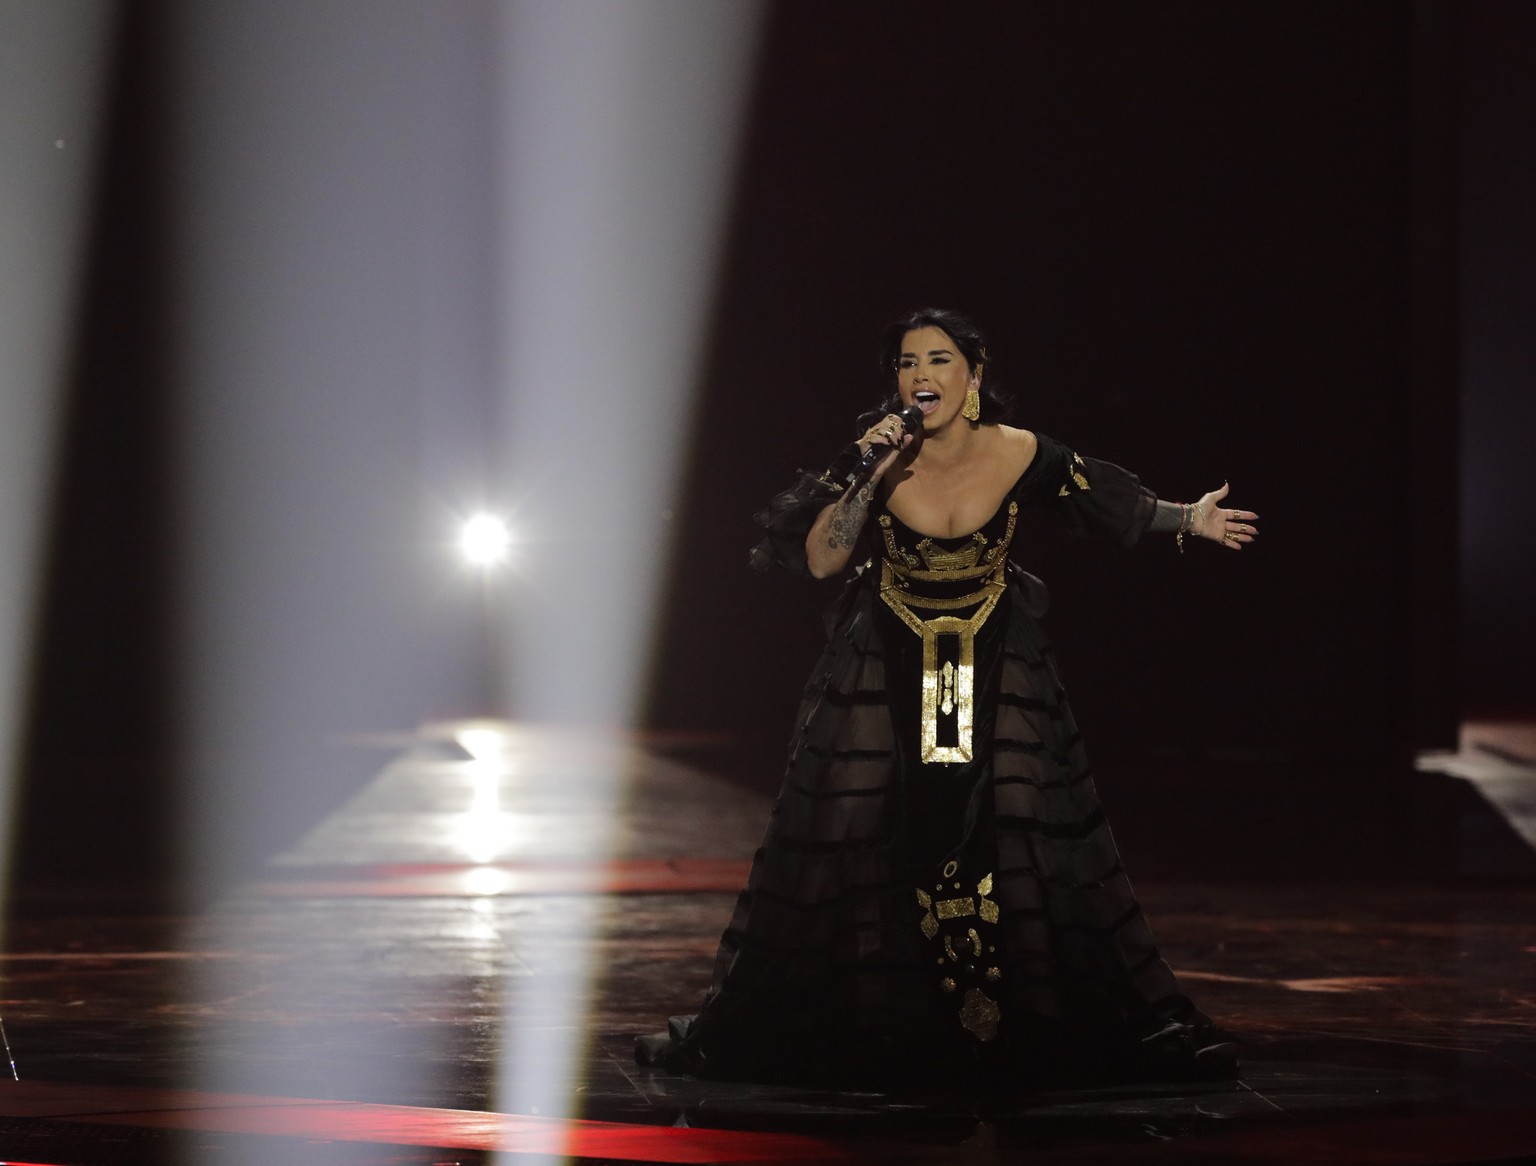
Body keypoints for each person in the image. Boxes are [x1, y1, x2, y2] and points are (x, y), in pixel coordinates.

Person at [639, 308, 1257, 1088]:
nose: (920, 376)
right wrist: (866, 473)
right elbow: (823, 561)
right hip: (883, 663)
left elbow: (1101, 502)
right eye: (905, 363)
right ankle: (891, 1015)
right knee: (860, 828)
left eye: (937, 360)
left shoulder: (1021, 452)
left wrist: (1188, 519)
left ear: (974, 374)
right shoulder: (876, 457)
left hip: (997, 664)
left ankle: (1007, 1018)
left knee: (1016, 830)